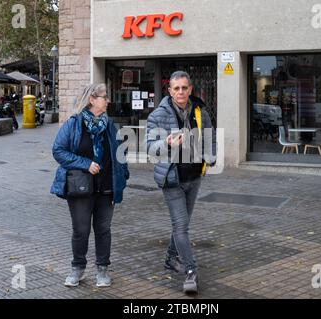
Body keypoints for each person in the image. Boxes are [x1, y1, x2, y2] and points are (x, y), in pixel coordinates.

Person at [50, 83, 129, 287]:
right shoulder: (74, 124)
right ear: (92, 100)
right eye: (104, 97)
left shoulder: (110, 126)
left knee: (103, 229)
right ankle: (78, 269)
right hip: (80, 187)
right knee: (81, 230)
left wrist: (122, 176)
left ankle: (102, 270)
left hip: (106, 187)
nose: (108, 100)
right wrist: (86, 164)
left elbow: (121, 154)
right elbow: (59, 150)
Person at [146, 71, 216, 294]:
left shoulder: (200, 110)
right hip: (172, 179)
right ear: (170, 91)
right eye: (176, 88)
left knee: (181, 225)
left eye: (184, 88)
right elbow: (150, 149)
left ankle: (170, 258)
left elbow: (210, 136)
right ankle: (190, 271)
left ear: (190, 89)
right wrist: (166, 143)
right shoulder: (157, 115)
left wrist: (211, 157)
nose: (180, 92)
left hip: (194, 177)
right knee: (181, 226)